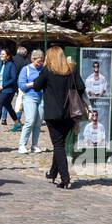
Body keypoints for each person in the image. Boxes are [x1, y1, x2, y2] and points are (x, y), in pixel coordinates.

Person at [34, 46, 86, 187]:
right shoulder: (71, 70)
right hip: (69, 113)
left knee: (58, 145)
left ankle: (65, 178)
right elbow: (81, 87)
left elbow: (36, 86)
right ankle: (52, 173)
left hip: (53, 114)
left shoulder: (47, 71)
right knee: (60, 145)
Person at [17, 49, 46, 155]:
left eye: (42, 60)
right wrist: (34, 84)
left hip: (42, 97)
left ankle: (34, 145)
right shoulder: (26, 69)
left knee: (38, 122)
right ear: (33, 59)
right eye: (39, 60)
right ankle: (22, 145)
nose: (41, 62)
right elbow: (21, 86)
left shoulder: (43, 69)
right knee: (30, 121)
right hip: (30, 97)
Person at [0, 48, 18, 131]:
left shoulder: (11, 65)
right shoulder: (0, 64)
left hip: (9, 90)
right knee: (8, 106)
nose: (1, 56)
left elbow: (14, 78)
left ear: (8, 56)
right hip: (1, 89)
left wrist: (3, 85)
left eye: (3, 54)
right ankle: (17, 123)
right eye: (1, 54)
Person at [10, 46, 29, 133]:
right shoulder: (28, 61)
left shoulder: (13, 59)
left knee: (9, 102)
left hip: (12, 82)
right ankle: (18, 119)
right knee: (21, 102)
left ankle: (8, 119)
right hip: (24, 84)